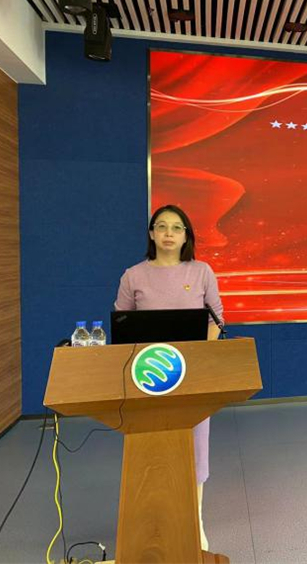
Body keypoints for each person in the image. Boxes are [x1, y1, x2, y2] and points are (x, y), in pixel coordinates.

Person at [114, 204, 223, 551]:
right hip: (148, 374)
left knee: (196, 444)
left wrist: (202, 356)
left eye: (177, 228)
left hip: (192, 373)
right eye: (161, 227)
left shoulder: (202, 271)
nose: (169, 233)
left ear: (186, 236)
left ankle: (195, 518)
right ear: (151, 233)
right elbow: (121, 322)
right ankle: (152, 515)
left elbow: (216, 319)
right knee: (151, 444)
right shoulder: (133, 275)